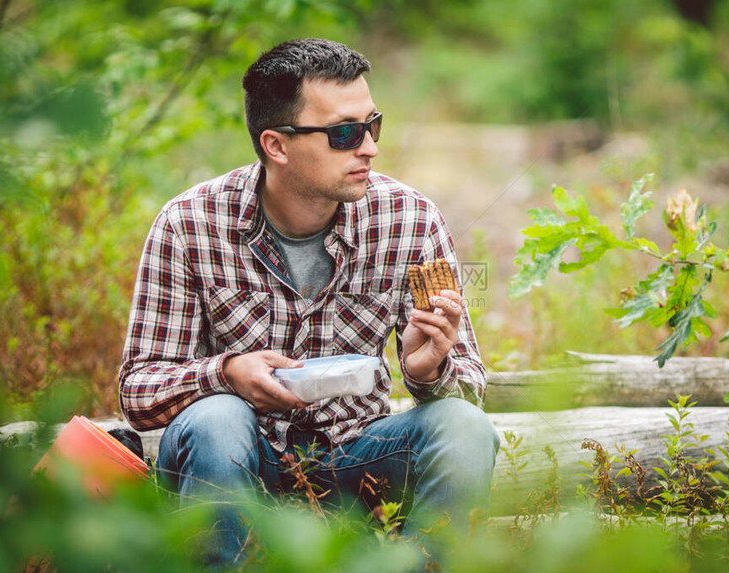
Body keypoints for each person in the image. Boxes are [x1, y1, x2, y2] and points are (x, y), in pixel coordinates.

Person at [119, 38, 499, 566]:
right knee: (218, 417)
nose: (369, 147)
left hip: (357, 458)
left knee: (465, 427)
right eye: (344, 133)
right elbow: (137, 389)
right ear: (276, 145)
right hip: (238, 462)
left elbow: (473, 388)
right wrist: (226, 374)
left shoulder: (410, 220)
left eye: (374, 125)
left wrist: (427, 369)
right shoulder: (190, 224)